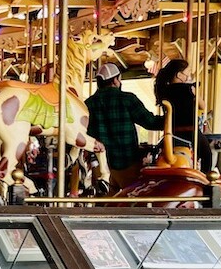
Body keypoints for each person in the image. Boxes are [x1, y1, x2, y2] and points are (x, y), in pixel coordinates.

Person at [84, 63, 164, 193]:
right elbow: (150, 122)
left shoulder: (88, 103)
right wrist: (170, 119)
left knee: (104, 207)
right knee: (131, 202)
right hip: (128, 162)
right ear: (116, 80)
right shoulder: (127, 99)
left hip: (101, 165)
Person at [154, 59, 211, 172]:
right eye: (187, 74)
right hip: (191, 132)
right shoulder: (189, 89)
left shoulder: (163, 90)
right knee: (207, 154)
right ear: (179, 75)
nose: (188, 77)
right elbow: (203, 106)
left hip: (173, 133)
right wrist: (195, 92)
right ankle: (206, 179)